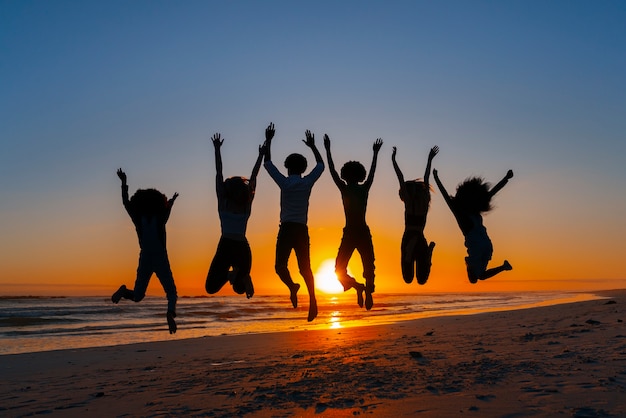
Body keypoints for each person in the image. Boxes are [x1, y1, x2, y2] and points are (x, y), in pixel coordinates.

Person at [264, 124, 325, 321]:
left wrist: (269, 140)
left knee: (280, 267)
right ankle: (313, 300)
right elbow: (321, 166)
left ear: (287, 167)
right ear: (303, 168)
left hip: (287, 229)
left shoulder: (284, 182)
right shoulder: (306, 183)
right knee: (305, 268)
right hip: (301, 230)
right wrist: (313, 146)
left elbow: (267, 163)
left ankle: (292, 286)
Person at [112, 169, 179, 334]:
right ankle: (170, 313)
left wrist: (124, 182)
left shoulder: (137, 218)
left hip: (145, 258)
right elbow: (168, 209)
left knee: (138, 296)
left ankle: (123, 291)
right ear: (158, 203)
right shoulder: (160, 217)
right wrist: (171, 201)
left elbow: (125, 203)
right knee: (171, 292)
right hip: (161, 258)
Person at [323, 135, 382, 310]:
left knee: (353, 268)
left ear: (346, 175)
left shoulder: (348, 188)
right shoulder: (359, 188)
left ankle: (365, 290)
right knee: (365, 267)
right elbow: (372, 172)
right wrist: (375, 154)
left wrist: (327, 150)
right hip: (356, 231)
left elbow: (332, 171)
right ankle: (360, 288)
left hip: (356, 232)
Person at [205, 131, 265, 298]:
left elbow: (218, 173)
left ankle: (231, 276)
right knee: (239, 289)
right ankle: (238, 276)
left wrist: (217, 149)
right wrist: (261, 154)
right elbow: (254, 176)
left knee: (211, 287)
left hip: (225, 245)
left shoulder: (223, 202)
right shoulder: (246, 205)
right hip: (241, 247)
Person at [432, 167, 514, 283]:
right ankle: (502, 267)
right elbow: (492, 193)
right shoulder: (473, 211)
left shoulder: (461, 216)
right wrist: (506, 178)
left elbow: (446, 196)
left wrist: (436, 178)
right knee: (477, 277)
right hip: (483, 246)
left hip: (482, 248)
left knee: (476, 278)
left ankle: (503, 267)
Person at [391, 145, 439, 285]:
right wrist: (430, 159)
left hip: (409, 237)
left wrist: (393, 159)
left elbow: (400, 177)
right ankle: (427, 255)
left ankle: (409, 256)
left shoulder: (409, 202)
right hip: (420, 237)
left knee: (408, 279)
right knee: (422, 280)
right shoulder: (424, 201)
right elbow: (426, 177)